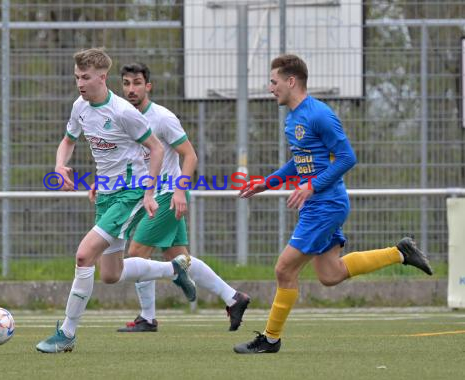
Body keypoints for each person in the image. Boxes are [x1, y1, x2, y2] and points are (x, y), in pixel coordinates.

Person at [233, 54, 433, 354]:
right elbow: (301, 161)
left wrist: (312, 186)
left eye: (273, 82)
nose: (270, 87)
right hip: (319, 205)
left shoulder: (320, 115)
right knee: (330, 275)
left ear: (291, 81)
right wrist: (268, 182)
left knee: (284, 270)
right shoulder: (293, 118)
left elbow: (347, 158)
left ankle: (270, 339)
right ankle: (399, 253)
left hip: (326, 205)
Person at [35, 48, 196, 353]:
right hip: (106, 196)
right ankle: (174, 269)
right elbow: (68, 141)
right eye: (76, 77)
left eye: (85, 77)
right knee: (111, 274)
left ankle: (67, 333)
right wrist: (59, 164)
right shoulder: (80, 107)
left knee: (84, 256)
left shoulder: (123, 112)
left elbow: (157, 149)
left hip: (129, 194)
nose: (80, 83)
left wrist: (149, 193)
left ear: (101, 77)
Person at [89, 62, 250, 332]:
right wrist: (103, 182)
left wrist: (179, 191)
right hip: (143, 193)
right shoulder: (122, 116)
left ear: (148, 86)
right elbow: (123, 160)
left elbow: (190, 155)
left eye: (137, 83)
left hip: (165, 194)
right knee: (179, 257)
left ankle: (148, 317)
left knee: (138, 251)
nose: (131, 89)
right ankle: (234, 298)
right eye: (126, 83)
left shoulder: (162, 118)